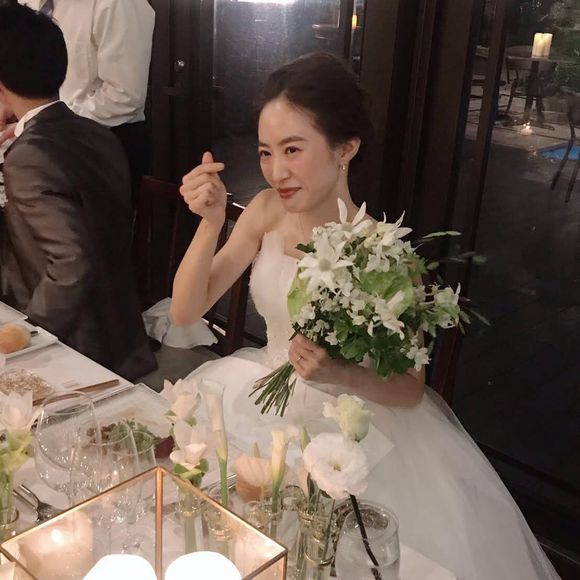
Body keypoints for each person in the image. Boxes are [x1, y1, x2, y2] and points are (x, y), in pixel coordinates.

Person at [171, 52, 559, 579]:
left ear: (345, 148)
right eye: (265, 152)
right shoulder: (265, 210)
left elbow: (409, 389)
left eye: (293, 149)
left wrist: (339, 372)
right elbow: (185, 311)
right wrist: (210, 222)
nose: (276, 171)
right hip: (260, 397)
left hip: (353, 430)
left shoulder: (384, 253)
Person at [0, 4, 156, 380]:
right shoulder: (98, 135)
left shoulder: (27, 157)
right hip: (121, 338)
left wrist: (28, 334)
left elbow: (72, 261)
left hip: (72, 348)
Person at [5, 0, 155, 203]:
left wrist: (42, 120)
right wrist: (11, 102)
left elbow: (124, 98)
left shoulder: (120, 4)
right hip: (43, 138)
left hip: (101, 144)